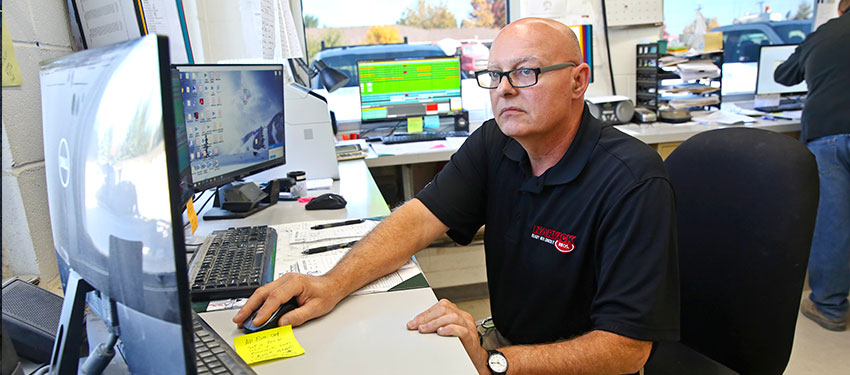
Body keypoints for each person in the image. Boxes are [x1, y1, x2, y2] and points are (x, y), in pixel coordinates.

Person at [234, 18, 679, 374]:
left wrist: (495, 363)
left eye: (526, 72)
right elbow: (419, 218)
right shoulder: (496, 142)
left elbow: (626, 351)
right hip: (505, 349)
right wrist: (330, 283)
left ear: (578, 81)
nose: (504, 88)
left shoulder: (632, 180)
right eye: (495, 75)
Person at [775, 0, 850, 332]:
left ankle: (830, 307)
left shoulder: (825, 35)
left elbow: (783, 74)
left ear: (841, 6)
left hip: (830, 134)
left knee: (834, 222)